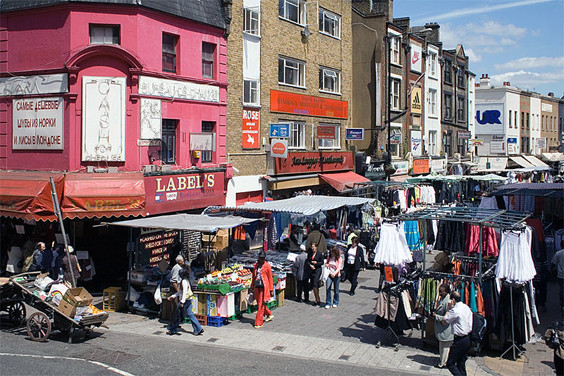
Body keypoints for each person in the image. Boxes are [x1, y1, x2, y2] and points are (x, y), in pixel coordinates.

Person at [441, 291, 473, 376]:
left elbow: (445, 321)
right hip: (468, 338)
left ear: (453, 300)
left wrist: (449, 309)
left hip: (460, 339)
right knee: (461, 363)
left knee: (450, 363)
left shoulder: (455, 310)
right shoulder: (466, 307)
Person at [167, 267, 203, 336]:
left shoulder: (184, 282)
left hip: (185, 301)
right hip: (188, 299)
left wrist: (182, 302)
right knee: (190, 315)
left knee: (177, 315)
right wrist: (173, 296)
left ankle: (173, 330)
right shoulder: (186, 280)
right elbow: (180, 292)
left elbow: (184, 292)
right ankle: (198, 329)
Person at [432, 284, 454, 369]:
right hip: (442, 329)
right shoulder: (442, 299)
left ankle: (443, 363)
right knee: (443, 347)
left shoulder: (448, 302)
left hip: (446, 329)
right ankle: (443, 361)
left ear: (446, 291)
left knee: (445, 348)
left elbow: (448, 318)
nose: (440, 293)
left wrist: (436, 316)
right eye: (439, 291)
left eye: (441, 292)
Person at [251, 250, 274, 328]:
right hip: (257, 286)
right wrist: (252, 286)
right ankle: (269, 314)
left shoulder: (267, 266)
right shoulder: (255, 266)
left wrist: (271, 290)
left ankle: (258, 322)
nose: (262, 259)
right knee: (259, 302)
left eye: (263, 258)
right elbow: (253, 277)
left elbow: (270, 278)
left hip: (264, 287)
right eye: (261, 258)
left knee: (260, 304)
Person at [551, 240, 564, 323]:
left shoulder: (558, 253)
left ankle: (562, 305)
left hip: (561, 275)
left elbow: (553, 263)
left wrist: (551, 271)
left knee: (562, 290)